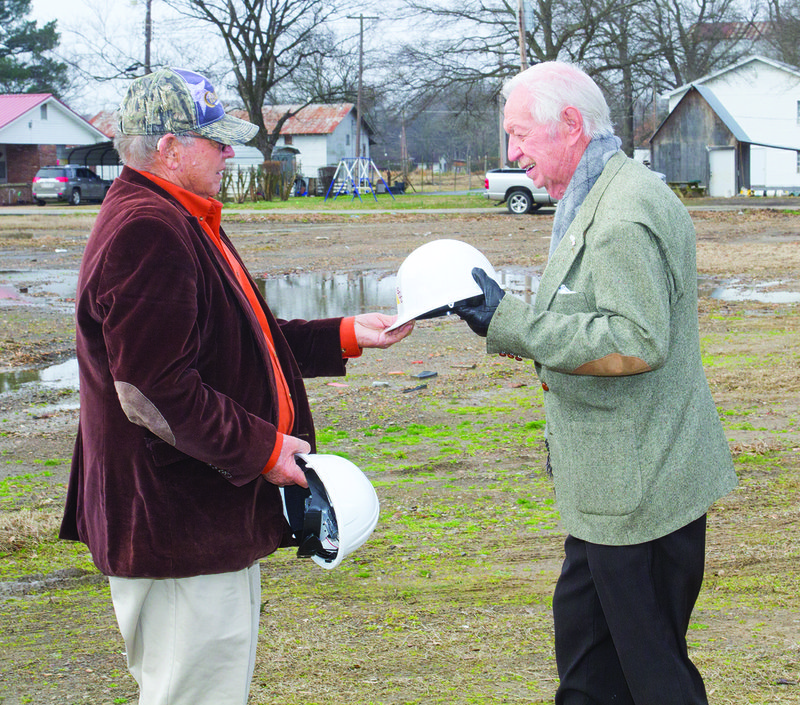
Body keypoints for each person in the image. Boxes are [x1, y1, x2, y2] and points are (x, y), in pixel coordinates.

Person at [58, 67, 412, 705]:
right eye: (214, 139)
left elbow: (248, 338)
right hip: (175, 524)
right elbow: (152, 390)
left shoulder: (180, 216)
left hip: (198, 518)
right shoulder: (149, 229)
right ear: (168, 147)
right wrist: (267, 452)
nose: (228, 151)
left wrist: (348, 333)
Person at [454, 61, 737, 704]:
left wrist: (512, 322)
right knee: (587, 666)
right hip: (613, 490)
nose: (511, 152)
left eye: (521, 134)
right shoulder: (602, 191)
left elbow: (635, 343)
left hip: (639, 493)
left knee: (652, 673)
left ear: (572, 125)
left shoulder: (620, 215)